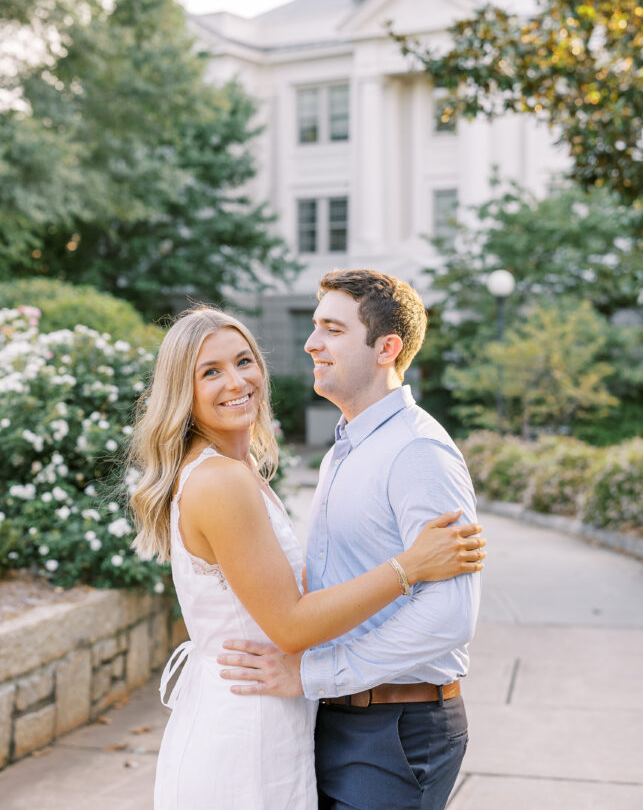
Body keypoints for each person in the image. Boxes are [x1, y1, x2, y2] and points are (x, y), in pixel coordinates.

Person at [129, 305, 485, 810]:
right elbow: (291, 625)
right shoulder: (220, 480)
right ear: (181, 391)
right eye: (210, 372)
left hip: (270, 715)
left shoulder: (239, 469)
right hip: (245, 729)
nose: (237, 380)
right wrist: (411, 567)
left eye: (244, 361)